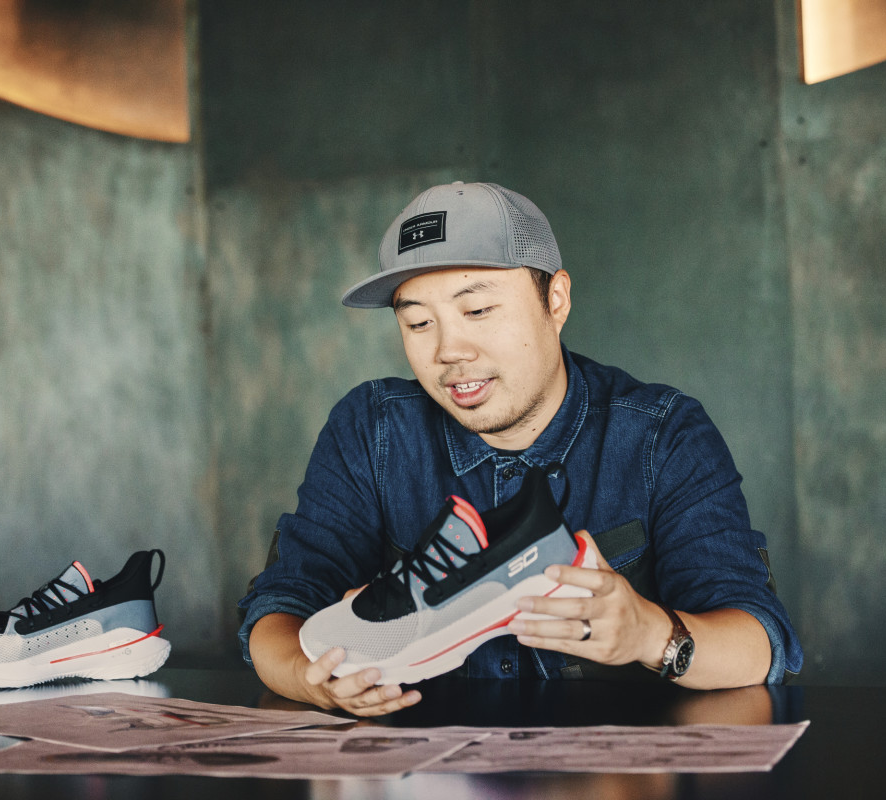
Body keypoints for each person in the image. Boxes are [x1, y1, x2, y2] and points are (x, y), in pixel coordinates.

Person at [238, 181, 802, 716]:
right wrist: (313, 681)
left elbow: (761, 641)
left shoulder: (663, 434)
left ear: (555, 300)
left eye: (478, 311)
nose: (449, 350)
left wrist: (650, 634)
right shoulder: (372, 428)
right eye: (418, 322)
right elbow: (281, 605)